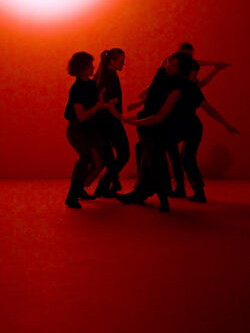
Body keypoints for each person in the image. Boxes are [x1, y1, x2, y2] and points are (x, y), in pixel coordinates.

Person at [118, 52, 194, 212]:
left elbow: (160, 116)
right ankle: (141, 194)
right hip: (146, 124)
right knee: (147, 160)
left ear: (180, 70)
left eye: (173, 65)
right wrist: (138, 105)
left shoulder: (177, 88)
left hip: (159, 127)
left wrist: (134, 122)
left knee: (155, 161)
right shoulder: (161, 74)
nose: (168, 66)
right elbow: (152, 93)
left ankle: (161, 198)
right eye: (169, 62)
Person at [167, 59, 239, 202]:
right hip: (185, 126)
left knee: (187, 159)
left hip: (192, 128)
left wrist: (225, 123)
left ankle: (198, 192)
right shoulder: (179, 85)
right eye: (194, 75)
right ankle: (189, 190)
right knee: (183, 158)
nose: (197, 78)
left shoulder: (191, 88)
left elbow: (209, 109)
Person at [64, 52, 122, 209]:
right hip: (77, 130)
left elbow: (96, 103)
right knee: (86, 158)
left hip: (89, 129)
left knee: (98, 161)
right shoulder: (77, 89)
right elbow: (81, 116)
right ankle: (72, 196)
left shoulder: (90, 85)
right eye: (90, 65)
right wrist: (99, 106)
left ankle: (79, 190)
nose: (93, 67)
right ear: (81, 68)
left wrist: (105, 103)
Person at [93, 49, 130, 197]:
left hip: (100, 120)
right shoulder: (111, 76)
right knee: (124, 154)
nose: (123, 64)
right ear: (112, 61)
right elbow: (109, 104)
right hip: (110, 120)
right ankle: (104, 185)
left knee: (109, 154)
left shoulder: (102, 74)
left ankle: (111, 183)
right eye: (121, 61)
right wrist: (123, 118)